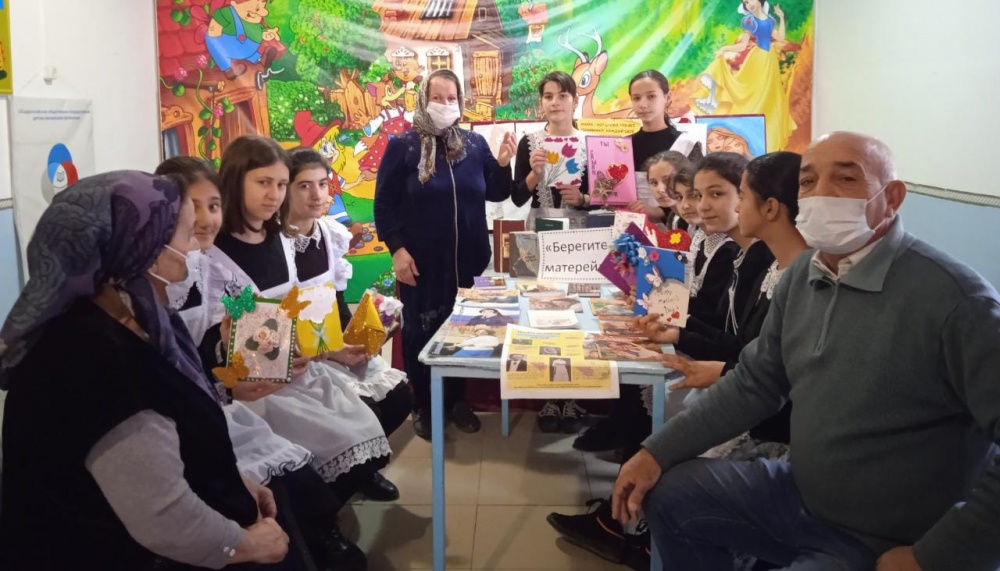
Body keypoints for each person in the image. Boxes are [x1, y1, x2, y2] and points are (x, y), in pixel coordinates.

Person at [614, 132, 1000, 571]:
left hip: (887, 540)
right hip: (802, 496)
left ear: (892, 198)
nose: (821, 195)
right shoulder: (803, 276)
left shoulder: (956, 300)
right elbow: (755, 383)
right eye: (809, 181)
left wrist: (935, 556)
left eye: (846, 179)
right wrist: (655, 452)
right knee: (671, 492)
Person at [0, 171, 292, 569]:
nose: (195, 247)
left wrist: (229, 480)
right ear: (144, 249)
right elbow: (164, 519)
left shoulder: (136, 321)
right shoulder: (96, 361)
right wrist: (250, 546)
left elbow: (169, 443)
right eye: (186, 234)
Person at [155, 156, 368, 570]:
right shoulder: (196, 267)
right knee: (292, 487)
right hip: (190, 418)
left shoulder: (215, 260)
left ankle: (321, 532)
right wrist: (231, 377)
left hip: (240, 387)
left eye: (213, 205)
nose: (205, 219)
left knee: (317, 465)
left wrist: (242, 362)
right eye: (192, 208)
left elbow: (235, 335)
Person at [204, 135, 397, 509]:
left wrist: (319, 348)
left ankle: (336, 499)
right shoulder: (215, 253)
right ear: (235, 181)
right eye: (264, 182)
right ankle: (322, 515)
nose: (274, 195)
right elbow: (218, 335)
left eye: (280, 184)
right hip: (252, 385)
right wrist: (269, 362)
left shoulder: (279, 238)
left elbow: (294, 310)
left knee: (364, 424)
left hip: (297, 366)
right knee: (329, 446)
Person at [374, 68, 515, 441]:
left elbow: (497, 192)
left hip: (470, 261)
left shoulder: (474, 144)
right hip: (421, 263)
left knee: (466, 332)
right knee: (421, 332)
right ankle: (423, 404)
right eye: (437, 97)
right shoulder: (403, 145)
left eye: (452, 98)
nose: (445, 104)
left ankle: (456, 400)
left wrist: (503, 163)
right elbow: (384, 204)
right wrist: (397, 250)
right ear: (423, 99)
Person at [281, 147, 412, 452]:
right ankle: (355, 461)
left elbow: (336, 302)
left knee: (399, 397)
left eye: (322, 184)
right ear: (285, 189)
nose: (317, 195)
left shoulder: (330, 234)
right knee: (365, 410)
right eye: (304, 185)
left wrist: (360, 340)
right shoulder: (275, 244)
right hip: (300, 355)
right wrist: (331, 353)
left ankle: (365, 459)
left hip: (332, 344)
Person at [695, 0, 796, 151]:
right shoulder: (749, 21)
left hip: (770, 61)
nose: (748, 4)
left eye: (750, 1)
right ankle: (753, 128)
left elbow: (780, 38)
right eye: (746, 3)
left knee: (770, 96)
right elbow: (742, 46)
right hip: (757, 59)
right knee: (753, 93)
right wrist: (725, 48)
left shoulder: (769, 20)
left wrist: (781, 17)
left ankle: (769, 136)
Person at [511, 70, 591, 230]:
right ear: (541, 102)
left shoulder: (590, 143)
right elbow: (517, 198)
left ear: (575, 101)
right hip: (539, 231)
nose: (555, 102)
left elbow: (605, 197)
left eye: (563, 96)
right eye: (548, 97)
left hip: (580, 235)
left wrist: (582, 199)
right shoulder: (528, 142)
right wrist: (535, 174)